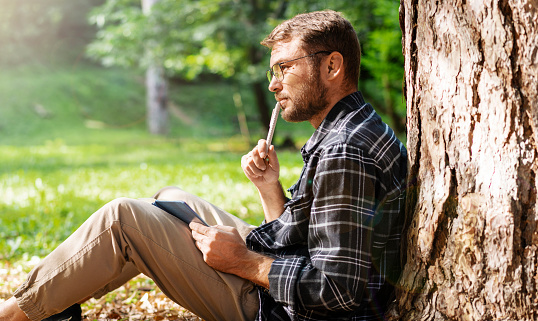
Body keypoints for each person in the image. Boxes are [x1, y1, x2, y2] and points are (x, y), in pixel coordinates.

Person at [0, 10, 407, 321]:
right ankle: (56, 302)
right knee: (168, 199)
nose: (273, 84)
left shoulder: (345, 150)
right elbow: (309, 239)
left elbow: (340, 290)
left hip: (279, 309)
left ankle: (17, 313)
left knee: (122, 220)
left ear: (332, 66)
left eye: (285, 67)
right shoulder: (354, 127)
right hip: (291, 275)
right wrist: (269, 187)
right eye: (273, 70)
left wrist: (243, 262)